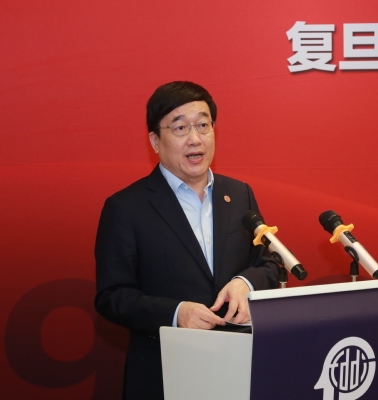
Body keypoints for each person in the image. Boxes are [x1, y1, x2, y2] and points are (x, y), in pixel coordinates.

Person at [94, 81, 279, 399]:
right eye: (180, 128)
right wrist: (176, 313)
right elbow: (112, 296)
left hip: (239, 366)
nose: (195, 139)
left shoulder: (238, 194)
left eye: (203, 125)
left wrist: (245, 283)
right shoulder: (126, 207)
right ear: (155, 140)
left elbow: (269, 263)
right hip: (164, 372)